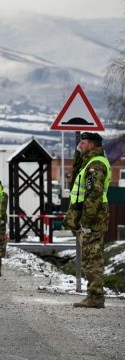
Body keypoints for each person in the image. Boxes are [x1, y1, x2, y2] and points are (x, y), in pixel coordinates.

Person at [63, 132, 111, 309]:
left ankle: (96, 296)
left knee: (92, 257)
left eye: (83, 143)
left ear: (91, 145)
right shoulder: (89, 162)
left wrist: (86, 220)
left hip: (93, 218)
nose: (80, 146)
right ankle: (93, 294)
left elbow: (94, 194)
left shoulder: (95, 164)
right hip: (92, 216)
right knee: (90, 256)